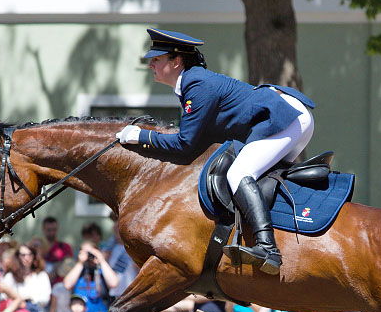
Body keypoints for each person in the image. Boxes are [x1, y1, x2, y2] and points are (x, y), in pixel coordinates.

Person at [117, 29, 315, 275]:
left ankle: (267, 248)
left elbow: (184, 144)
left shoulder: (196, 84)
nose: (151, 65)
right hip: (287, 116)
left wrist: (141, 136)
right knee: (258, 177)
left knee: (239, 174)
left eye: (156, 59)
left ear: (176, 61)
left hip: (285, 118)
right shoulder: (192, 82)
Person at [63, 241, 118, 312]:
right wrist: (80, 263)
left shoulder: (102, 271)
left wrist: (102, 260)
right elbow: (67, 284)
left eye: (91, 252)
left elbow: (114, 283)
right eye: (85, 252)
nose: (89, 256)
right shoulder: (79, 271)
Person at [2, 243, 51, 312]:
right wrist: (19, 302)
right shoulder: (10, 276)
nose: (26, 258)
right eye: (23, 255)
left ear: (34, 256)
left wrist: (27, 299)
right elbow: (3, 296)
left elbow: (45, 299)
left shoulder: (41, 276)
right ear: (18, 256)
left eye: (30, 254)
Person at [40, 216, 73, 283]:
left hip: (60, 286)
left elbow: (70, 266)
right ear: (43, 229)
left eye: (54, 229)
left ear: (57, 229)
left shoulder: (65, 247)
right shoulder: (37, 247)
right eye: (49, 230)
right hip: (41, 286)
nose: (52, 233)